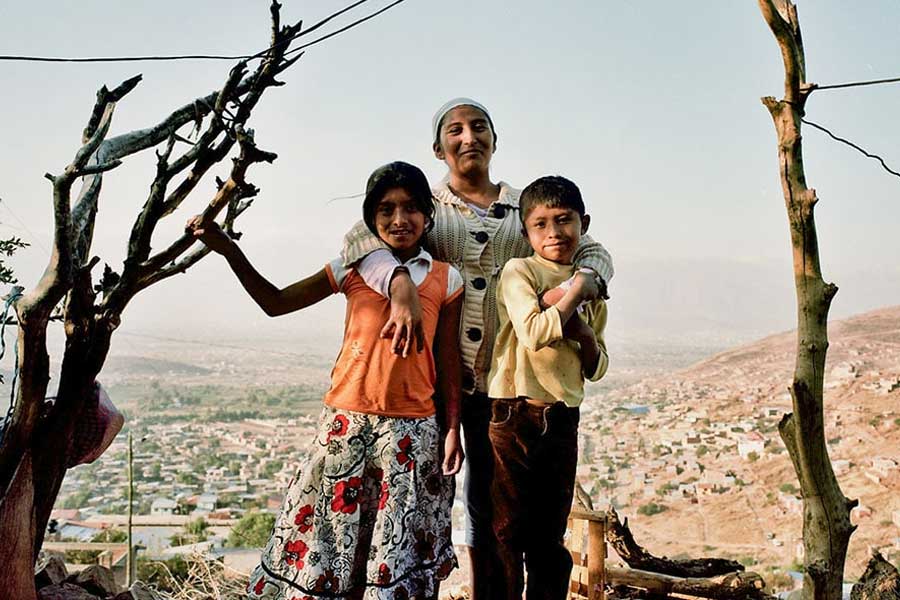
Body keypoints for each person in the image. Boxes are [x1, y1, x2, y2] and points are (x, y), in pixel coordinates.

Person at [339, 98, 614, 599]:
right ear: (438, 147)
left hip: (505, 386)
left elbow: (588, 246)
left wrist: (590, 277)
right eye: (455, 129)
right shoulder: (428, 208)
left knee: (497, 507)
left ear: (494, 138)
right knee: (443, 501)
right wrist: (398, 278)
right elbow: (360, 234)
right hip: (439, 381)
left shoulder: (521, 211)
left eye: (479, 127)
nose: (469, 137)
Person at [187, 161, 465, 600]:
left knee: (390, 558)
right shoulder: (353, 269)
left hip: (412, 435)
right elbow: (275, 302)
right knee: (330, 548)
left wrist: (453, 429)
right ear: (372, 220)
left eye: (411, 208)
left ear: (428, 216)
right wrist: (227, 250)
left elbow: (448, 365)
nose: (399, 219)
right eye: (386, 209)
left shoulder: (446, 279)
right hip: (347, 425)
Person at [487, 175, 608, 600]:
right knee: (505, 531)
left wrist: (585, 335)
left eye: (564, 221)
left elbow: (597, 365)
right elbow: (533, 332)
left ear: (583, 223)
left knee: (548, 537)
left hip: (561, 418)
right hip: (512, 413)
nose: (554, 232)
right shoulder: (519, 271)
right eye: (541, 224)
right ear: (526, 232)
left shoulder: (594, 287)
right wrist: (576, 292)